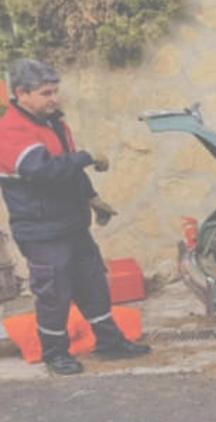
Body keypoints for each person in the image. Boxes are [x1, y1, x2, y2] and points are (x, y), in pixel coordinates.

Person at [0, 59, 150, 375]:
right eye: (46, 93)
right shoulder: (11, 131)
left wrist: (92, 198)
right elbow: (45, 172)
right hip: (41, 231)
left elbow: (68, 170)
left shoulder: (53, 122)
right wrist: (86, 157)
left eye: (55, 91)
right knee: (53, 294)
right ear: (21, 94)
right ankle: (55, 354)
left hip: (71, 224)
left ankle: (110, 344)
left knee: (93, 284)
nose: (54, 98)